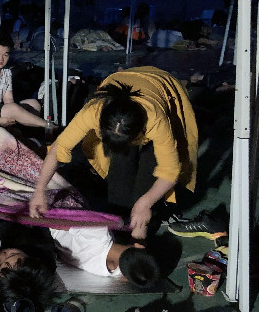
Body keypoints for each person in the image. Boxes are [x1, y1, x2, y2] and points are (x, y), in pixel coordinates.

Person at [29, 66, 198, 240]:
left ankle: (140, 237)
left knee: (147, 183)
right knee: (119, 183)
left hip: (160, 84)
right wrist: (40, 190)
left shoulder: (155, 119)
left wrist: (145, 202)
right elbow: (57, 149)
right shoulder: (93, 111)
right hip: (121, 89)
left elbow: (170, 171)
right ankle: (121, 232)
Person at [0, 35, 52, 131]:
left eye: (5, 55)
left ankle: (27, 133)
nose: (1, 59)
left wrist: (13, 115)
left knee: (33, 104)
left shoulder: (6, 72)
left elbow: (8, 99)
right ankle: (49, 126)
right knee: (13, 108)